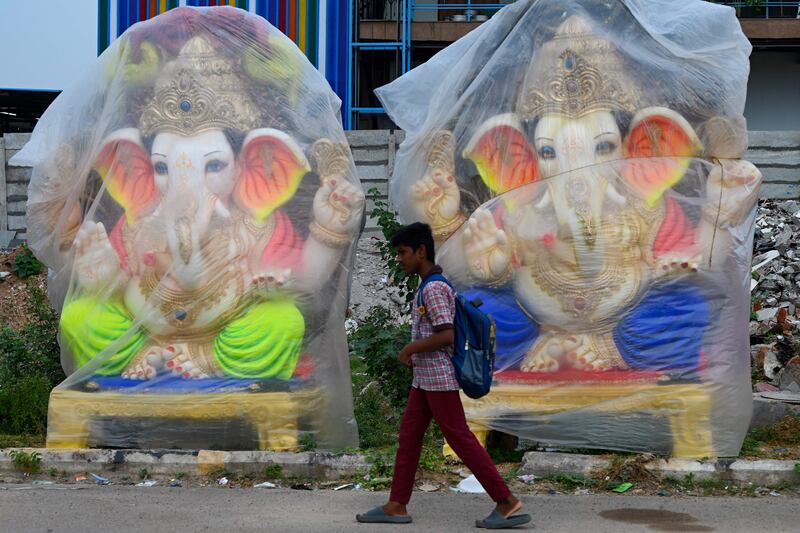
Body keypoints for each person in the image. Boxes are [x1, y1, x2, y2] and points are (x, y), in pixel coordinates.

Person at [356, 222, 531, 529]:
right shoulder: (428, 285)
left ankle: (507, 502)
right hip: (425, 379)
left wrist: (410, 349)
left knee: (460, 439)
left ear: (421, 252)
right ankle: (397, 505)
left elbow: (446, 335)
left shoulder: (434, 288)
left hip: (437, 377)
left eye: (403, 252)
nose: (399, 259)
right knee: (409, 438)